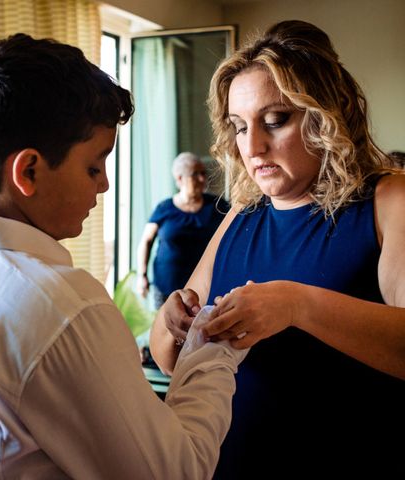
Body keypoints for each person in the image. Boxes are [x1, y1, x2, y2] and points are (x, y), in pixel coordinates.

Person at [0, 33, 249, 479]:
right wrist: (210, 351)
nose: (103, 186)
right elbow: (174, 473)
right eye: (93, 167)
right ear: (28, 171)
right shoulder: (62, 309)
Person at [149, 20, 405, 478]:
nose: (254, 146)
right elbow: (170, 358)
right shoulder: (241, 213)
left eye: (275, 121)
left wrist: (298, 304)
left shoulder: (389, 203)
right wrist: (173, 321)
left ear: (328, 113)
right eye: (239, 127)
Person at [136, 151, 228, 308]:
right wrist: (142, 275)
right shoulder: (164, 208)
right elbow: (146, 241)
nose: (202, 179)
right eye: (195, 174)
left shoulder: (217, 205)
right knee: (166, 330)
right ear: (179, 179)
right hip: (167, 288)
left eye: (203, 173)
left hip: (205, 287)